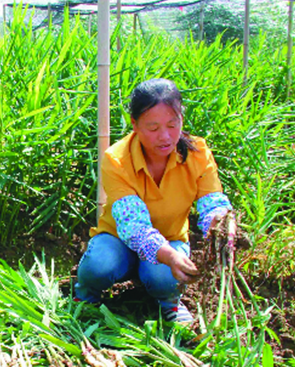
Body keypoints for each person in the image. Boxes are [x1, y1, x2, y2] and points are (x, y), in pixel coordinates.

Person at [74, 78, 232, 323]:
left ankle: (168, 302)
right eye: (154, 127)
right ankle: (85, 296)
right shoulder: (117, 158)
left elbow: (212, 202)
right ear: (134, 124)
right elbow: (133, 226)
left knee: (165, 278)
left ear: (182, 118)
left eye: (172, 124)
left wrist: (220, 226)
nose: (165, 136)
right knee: (98, 266)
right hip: (118, 240)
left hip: (170, 238)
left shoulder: (198, 154)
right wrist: (168, 255)